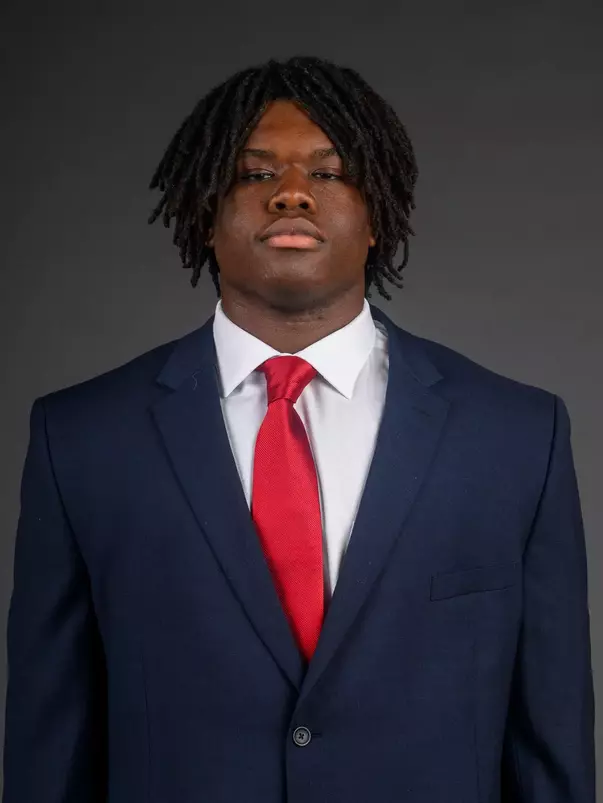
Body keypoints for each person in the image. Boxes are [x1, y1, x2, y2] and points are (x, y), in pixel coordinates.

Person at [3, 55, 595, 803]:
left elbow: (551, 745)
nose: (290, 194)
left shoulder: (515, 435)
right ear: (201, 215)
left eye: (328, 172)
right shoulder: (83, 438)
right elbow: (46, 747)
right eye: (253, 175)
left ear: (375, 212)